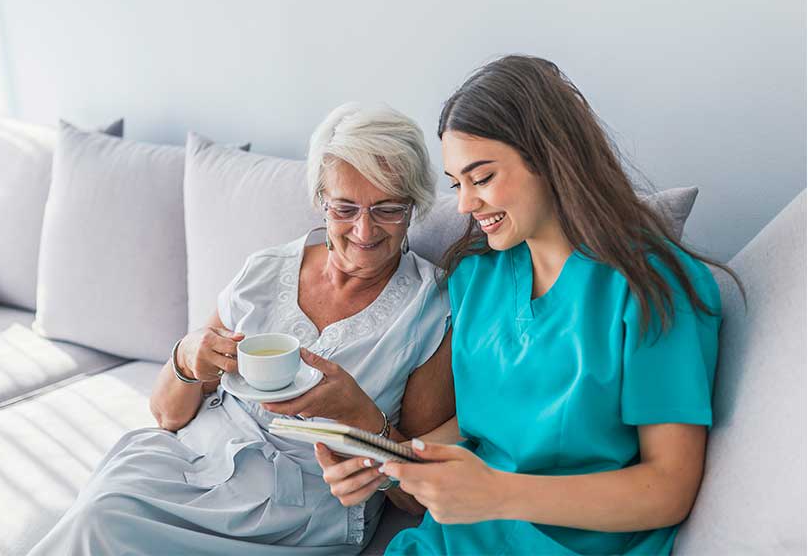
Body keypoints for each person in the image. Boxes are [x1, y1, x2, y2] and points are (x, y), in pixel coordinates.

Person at [317, 56, 742, 555]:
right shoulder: (476, 278)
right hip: (454, 542)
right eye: (457, 184)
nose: (465, 206)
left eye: (481, 178)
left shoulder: (654, 286)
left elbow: (668, 487)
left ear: (549, 158)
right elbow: (479, 431)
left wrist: (499, 494)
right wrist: (391, 465)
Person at [26, 102, 455, 555]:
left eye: (387, 209)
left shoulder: (428, 309)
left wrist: (360, 418)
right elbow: (167, 415)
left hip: (297, 511)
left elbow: (415, 498)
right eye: (345, 208)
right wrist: (189, 356)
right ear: (320, 201)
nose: (364, 230)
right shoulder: (266, 271)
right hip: (193, 463)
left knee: (105, 527)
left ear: (413, 208)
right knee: (103, 509)